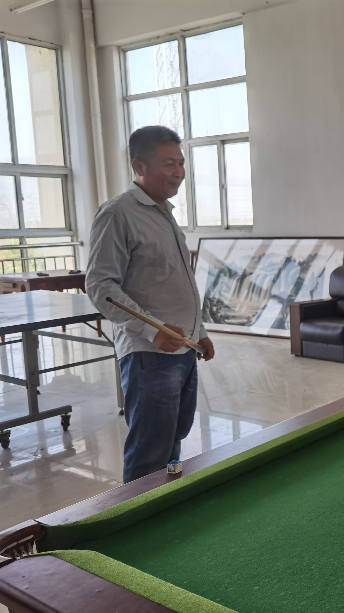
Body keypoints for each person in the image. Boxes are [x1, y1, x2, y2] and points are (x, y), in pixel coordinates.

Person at [86, 125, 215, 483]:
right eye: (168, 164)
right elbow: (100, 285)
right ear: (139, 166)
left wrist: (200, 333)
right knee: (150, 451)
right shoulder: (118, 213)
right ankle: (139, 511)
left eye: (181, 163)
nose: (179, 172)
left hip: (183, 349)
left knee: (173, 440)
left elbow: (176, 282)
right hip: (149, 354)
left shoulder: (165, 213)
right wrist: (151, 330)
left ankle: (167, 502)